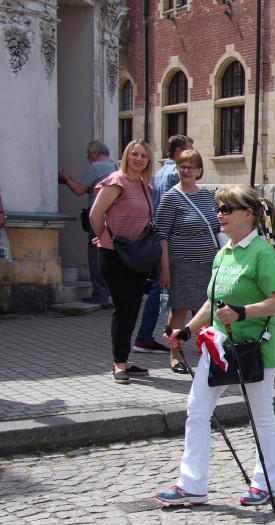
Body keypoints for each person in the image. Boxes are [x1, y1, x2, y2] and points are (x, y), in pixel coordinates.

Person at [156, 186, 275, 506]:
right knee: (197, 411)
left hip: (253, 349)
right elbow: (212, 303)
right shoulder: (223, 252)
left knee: (260, 416)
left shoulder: (263, 253)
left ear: (248, 214)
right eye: (219, 208)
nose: (219, 215)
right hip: (217, 347)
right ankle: (192, 484)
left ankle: (265, 483)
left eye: (227, 209)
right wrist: (185, 331)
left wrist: (241, 312)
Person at [89, 139, 157, 384]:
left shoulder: (145, 187)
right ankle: (118, 363)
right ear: (126, 156)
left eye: (143, 156)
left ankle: (126, 359)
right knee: (123, 308)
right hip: (115, 254)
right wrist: (107, 240)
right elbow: (95, 215)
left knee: (134, 308)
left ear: (148, 161)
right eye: (134, 154)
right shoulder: (116, 181)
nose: (138, 159)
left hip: (137, 256)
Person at [154, 149, 220, 372]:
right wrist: (165, 268)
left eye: (190, 166)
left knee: (208, 311)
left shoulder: (208, 195)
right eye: (182, 166)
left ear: (200, 170)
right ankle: (176, 354)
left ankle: (209, 352)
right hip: (181, 263)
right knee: (180, 309)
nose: (186, 170)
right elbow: (161, 234)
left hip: (209, 265)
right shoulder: (171, 197)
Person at [133, 134, 194, 354]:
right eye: (189, 152)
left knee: (162, 289)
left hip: (163, 241)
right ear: (179, 152)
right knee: (165, 288)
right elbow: (175, 212)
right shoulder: (173, 177)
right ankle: (146, 337)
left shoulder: (159, 173)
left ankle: (146, 336)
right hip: (172, 243)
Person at [57, 140, 118, 306]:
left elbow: (79, 190)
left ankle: (100, 294)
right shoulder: (114, 166)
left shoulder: (96, 166)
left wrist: (66, 179)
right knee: (109, 256)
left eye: (88, 154)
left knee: (95, 255)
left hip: (98, 218)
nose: (87, 157)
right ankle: (108, 293)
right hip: (112, 218)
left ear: (95, 153)